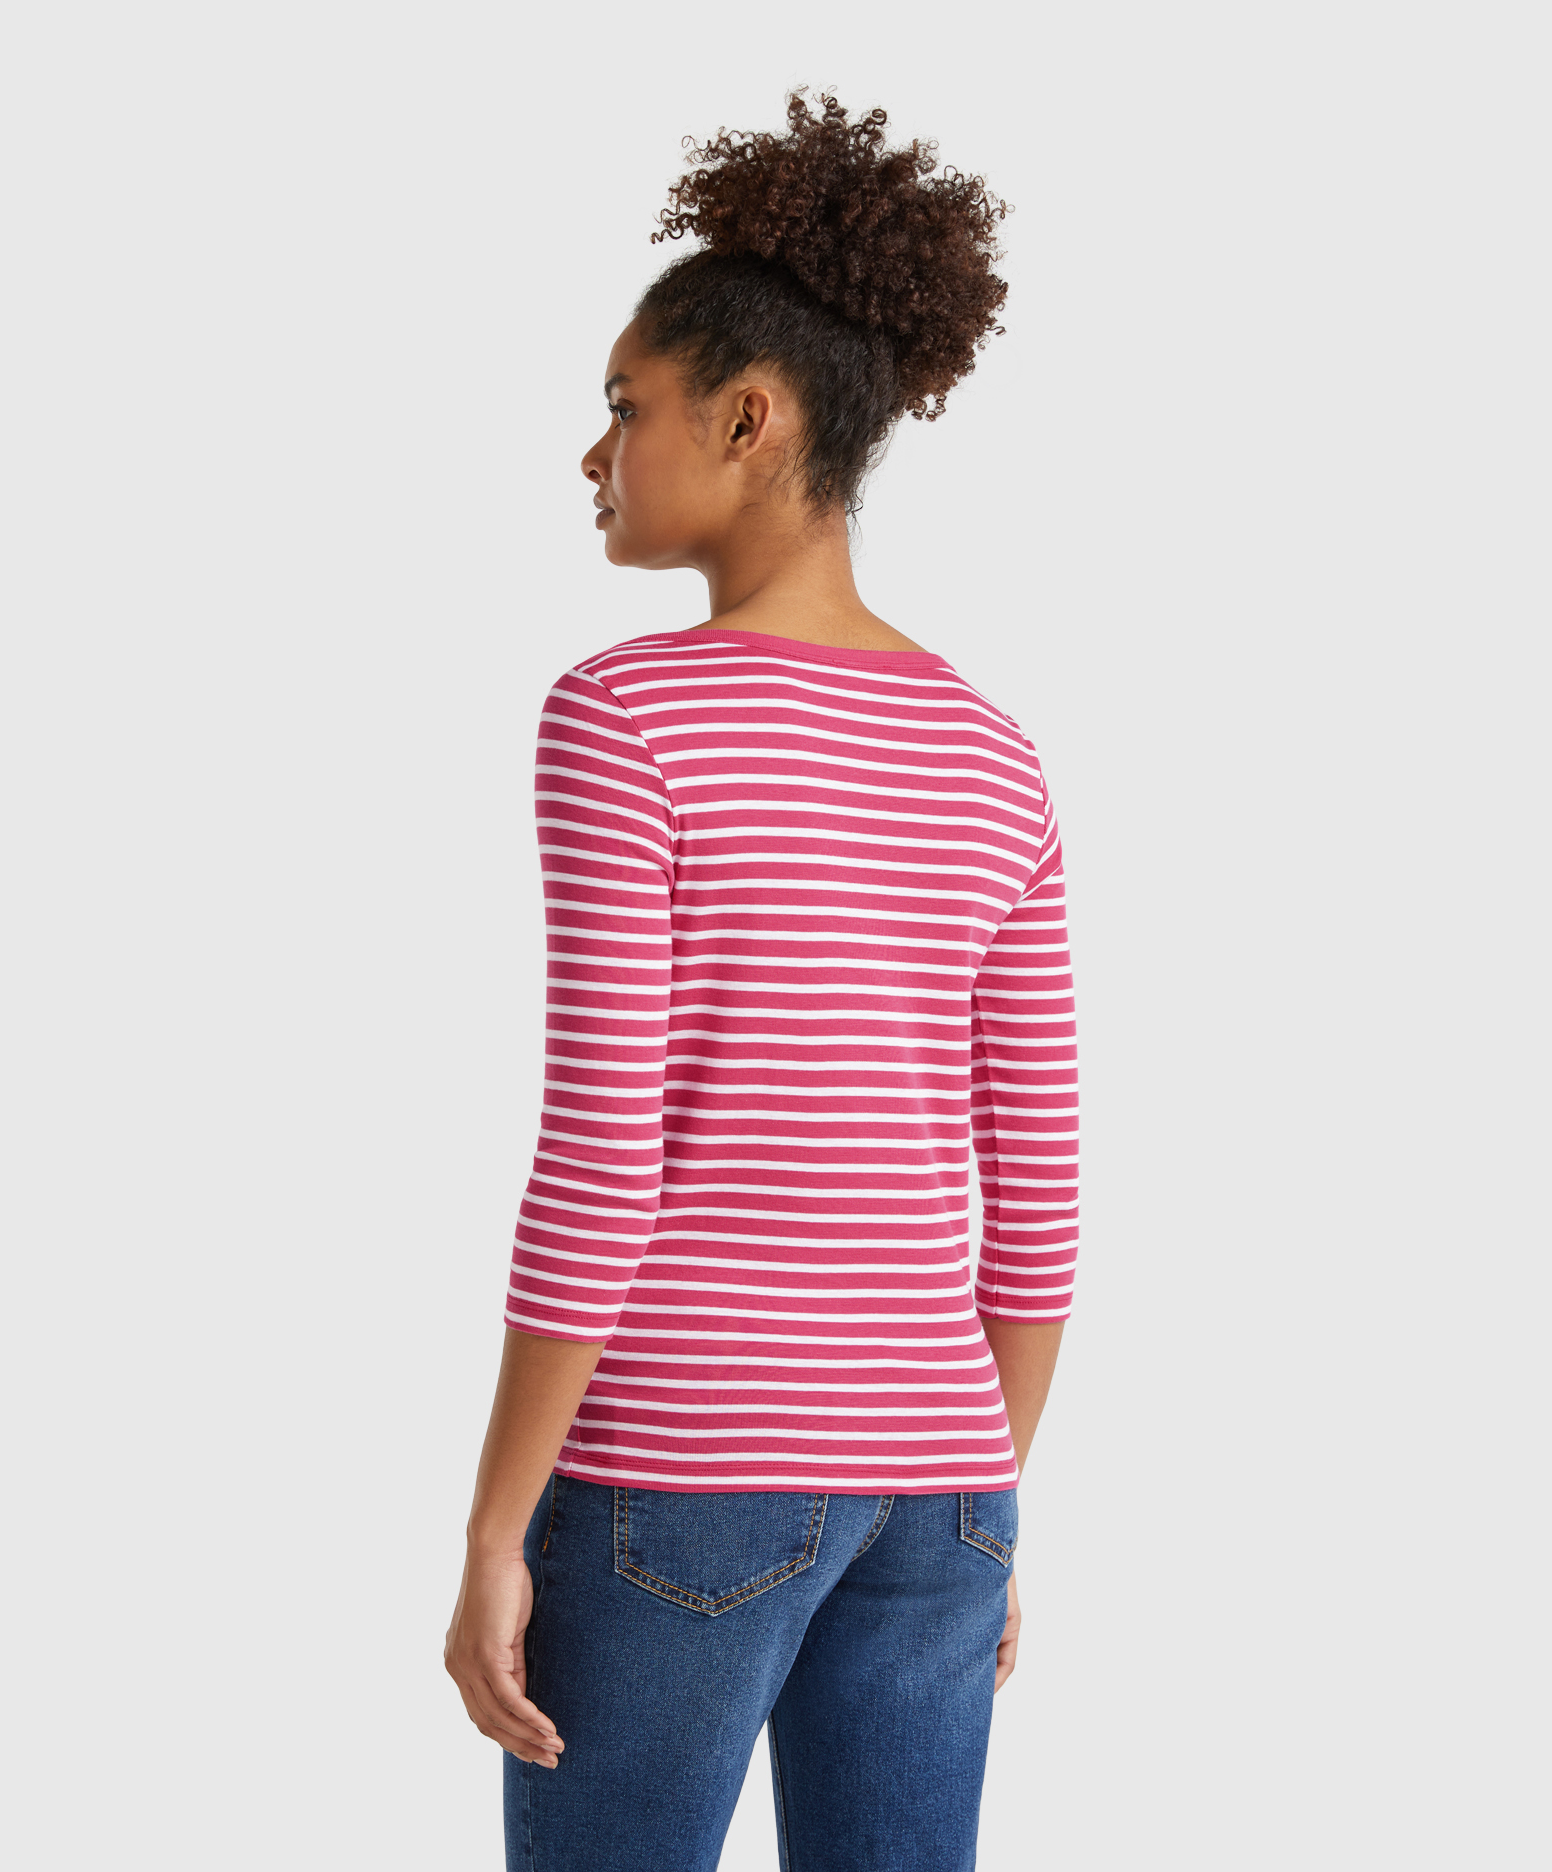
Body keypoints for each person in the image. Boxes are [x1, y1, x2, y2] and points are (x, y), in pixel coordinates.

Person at [442, 91, 1079, 1872]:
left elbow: (604, 1156)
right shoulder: (997, 755)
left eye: (624, 406)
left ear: (748, 415)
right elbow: (1038, 1197)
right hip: (942, 1485)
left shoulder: (627, 719)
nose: (595, 454)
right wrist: (982, 1499)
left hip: (681, 1472)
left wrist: (496, 1527)